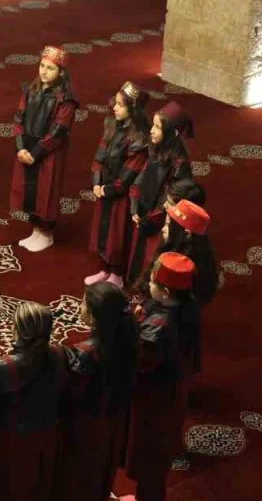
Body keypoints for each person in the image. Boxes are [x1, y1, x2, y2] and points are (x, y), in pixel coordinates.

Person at [120, 253, 202, 501]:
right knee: (158, 451)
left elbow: (137, 365)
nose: (148, 285)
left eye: (152, 282)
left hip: (153, 401)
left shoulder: (157, 329)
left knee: (150, 456)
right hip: (173, 390)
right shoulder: (188, 306)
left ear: (165, 292)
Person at [56, 282, 138, 501]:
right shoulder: (128, 341)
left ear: (94, 317)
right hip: (112, 422)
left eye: (83, 302)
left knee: (78, 478)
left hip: (85, 428)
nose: (79, 306)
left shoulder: (84, 354)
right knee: (101, 471)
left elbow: (69, 396)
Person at [0, 302, 66, 501]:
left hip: (9, 445)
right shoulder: (60, 355)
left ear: (17, 330)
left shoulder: (3, 368)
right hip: (45, 441)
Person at [9, 46, 78, 252]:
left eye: (50, 68)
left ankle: (46, 234)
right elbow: (18, 120)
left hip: (48, 152)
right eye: (42, 66)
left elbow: (58, 131)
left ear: (61, 73)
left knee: (45, 191)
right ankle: (35, 230)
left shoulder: (66, 99)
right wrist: (20, 148)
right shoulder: (29, 90)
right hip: (27, 147)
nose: (44, 71)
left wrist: (36, 153)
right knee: (29, 191)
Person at [86, 81, 150, 286]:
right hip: (104, 187)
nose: (114, 107)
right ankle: (104, 269)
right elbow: (99, 157)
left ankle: (117, 274)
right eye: (116, 102)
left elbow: (129, 175)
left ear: (133, 110)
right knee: (103, 230)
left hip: (121, 195)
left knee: (117, 234)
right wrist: (97, 182)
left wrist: (106, 189)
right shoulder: (112, 125)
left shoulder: (139, 139)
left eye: (121, 105)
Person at [127, 102, 193, 288]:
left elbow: (170, 198)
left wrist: (149, 220)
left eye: (157, 127)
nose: (151, 131)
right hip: (145, 211)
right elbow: (140, 179)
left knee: (152, 260)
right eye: (153, 125)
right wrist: (135, 207)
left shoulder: (179, 164)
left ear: (172, 132)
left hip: (160, 220)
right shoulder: (156, 150)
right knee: (138, 254)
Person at [158, 199, 219, 309]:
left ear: (187, 234)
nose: (163, 229)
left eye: (168, 225)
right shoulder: (177, 247)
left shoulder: (184, 267)